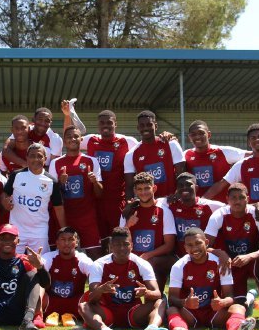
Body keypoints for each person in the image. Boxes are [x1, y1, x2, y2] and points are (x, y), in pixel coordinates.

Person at [204, 183, 259, 328]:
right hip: (230, 263)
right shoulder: (219, 215)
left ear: (247, 198)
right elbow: (204, 246)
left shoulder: (257, 213)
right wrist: (220, 253)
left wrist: (251, 256)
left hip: (253, 260)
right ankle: (249, 299)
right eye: (233, 198)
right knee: (238, 307)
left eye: (241, 197)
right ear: (227, 199)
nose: (237, 201)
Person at [79, 227, 169, 330]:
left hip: (133, 313)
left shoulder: (141, 263)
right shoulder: (99, 265)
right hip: (107, 312)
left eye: (126, 244)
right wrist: (101, 289)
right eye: (117, 245)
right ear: (111, 246)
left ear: (132, 245)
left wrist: (146, 293)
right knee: (83, 305)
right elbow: (91, 298)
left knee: (160, 302)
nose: (122, 248)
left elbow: (157, 293)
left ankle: (152, 328)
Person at [167, 228, 256, 330]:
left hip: (214, 312)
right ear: (185, 248)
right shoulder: (179, 266)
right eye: (189, 245)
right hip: (190, 313)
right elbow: (172, 298)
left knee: (238, 307)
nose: (194, 248)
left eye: (198, 243)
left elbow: (230, 296)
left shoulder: (221, 263)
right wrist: (185, 302)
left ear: (207, 243)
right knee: (172, 310)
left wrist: (223, 302)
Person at [64, 107, 138, 240]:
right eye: (102, 123)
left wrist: (166, 137)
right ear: (98, 125)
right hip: (95, 202)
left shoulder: (127, 141)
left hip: (117, 202)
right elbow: (70, 139)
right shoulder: (91, 140)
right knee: (101, 240)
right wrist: (69, 115)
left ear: (115, 124)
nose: (106, 126)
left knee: (118, 238)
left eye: (109, 122)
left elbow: (145, 146)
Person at [49, 126, 103, 257]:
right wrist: (60, 184)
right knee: (64, 258)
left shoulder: (91, 161)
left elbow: (100, 193)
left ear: (81, 139)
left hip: (87, 218)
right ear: (64, 140)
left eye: (76, 136)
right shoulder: (55, 163)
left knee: (95, 258)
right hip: (65, 218)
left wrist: (95, 182)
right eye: (69, 137)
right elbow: (52, 196)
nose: (72, 139)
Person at [2, 143, 65, 254]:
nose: (36, 159)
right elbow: (4, 193)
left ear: (45, 159)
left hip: (39, 232)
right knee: (15, 264)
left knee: (39, 265)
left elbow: (58, 208)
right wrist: (5, 202)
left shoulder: (52, 181)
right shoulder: (16, 175)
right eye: (32, 156)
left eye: (39, 156)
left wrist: (64, 230)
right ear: (27, 158)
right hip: (17, 231)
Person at [120, 172, 177, 291]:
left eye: (147, 188)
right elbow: (118, 240)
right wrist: (128, 225)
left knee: (152, 262)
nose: (143, 192)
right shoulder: (128, 212)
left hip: (154, 258)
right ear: (135, 191)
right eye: (139, 189)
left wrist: (147, 255)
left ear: (154, 188)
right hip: (132, 257)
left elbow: (169, 245)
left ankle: (158, 296)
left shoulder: (164, 212)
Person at [124, 110, 185, 199]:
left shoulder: (171, 144)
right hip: (149, 204)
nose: (145, 128)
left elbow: (182, 176)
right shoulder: (131, 154)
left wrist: (178, 196)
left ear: (155, 126)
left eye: (149, 125)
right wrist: (130, 205)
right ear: (138, 128)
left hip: (172, 201)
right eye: (142, 125)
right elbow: (129, 187)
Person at [41, 227, 95, 327]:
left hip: (76, 304)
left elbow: (96, 275)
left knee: (95, 291)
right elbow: (39, 275)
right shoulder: (48, 257)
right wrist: (38, 266)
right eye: (63, 239)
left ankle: (77, 316)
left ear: (77, 242)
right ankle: (38, 316)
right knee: (37, 286)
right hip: (50, 302)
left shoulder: (83, 259)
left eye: (71, 239)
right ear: (57, 243)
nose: (67, 243)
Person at [183, 120, 248, 199]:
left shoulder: (223, 152)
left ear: (209, 134)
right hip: (198, 207)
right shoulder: (185, 155)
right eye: (193, 134)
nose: (197, 137)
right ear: (189, 138)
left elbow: (252, 154)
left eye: (201, 133)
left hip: (222, 206)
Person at [165, 172, 223, 257]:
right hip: (179, 258)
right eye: (181, 185)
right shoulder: (170, 205)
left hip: (203, 256)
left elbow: (230, 209)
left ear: (196, 188)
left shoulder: (209, 206)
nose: (184, 188)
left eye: (188, 184)